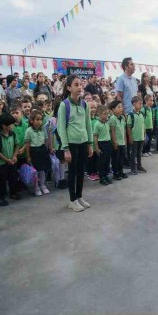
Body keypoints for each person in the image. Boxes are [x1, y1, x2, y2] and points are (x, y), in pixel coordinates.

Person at [57, 74, 94, 212]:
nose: (80, 87)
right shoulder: (64, 105)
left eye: (80, 84)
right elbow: (61, 127)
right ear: (69, 87)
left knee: (81, 171)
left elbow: (88, 124)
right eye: (76, 85)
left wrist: (90, 143)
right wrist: (65, 148)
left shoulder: (84, 104)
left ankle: (79, 197)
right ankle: (72, 200)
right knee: (72, 172)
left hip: (83, 142)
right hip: (71, 144)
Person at [0, 113, 20, 207]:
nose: (13, 126)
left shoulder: (13, 134)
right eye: (11, 124)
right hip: (1, 163)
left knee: (13, 178)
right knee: (1, 181)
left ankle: (13, 193)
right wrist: (7, 160)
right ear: (4, 126)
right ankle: (0, 198)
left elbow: (17, 145)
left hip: (12, 161)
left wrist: (14, 156)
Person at [24, 109, 51, 196]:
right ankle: (36, 187)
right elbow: (27, 144)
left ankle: (42, 185)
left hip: (42, 150)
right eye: (37, 119)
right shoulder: (28, 130)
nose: (40, 122)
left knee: (42, 170)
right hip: (34, 151)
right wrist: (28, 156)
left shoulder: (43, 129)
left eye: (41, 119)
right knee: (35, 171)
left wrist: (47, 149)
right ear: (32, 121)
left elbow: (46, 140)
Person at [92, 105, 112, 186]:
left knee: (107, 160)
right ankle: (102, 176)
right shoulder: (97, 124)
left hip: (108, 142)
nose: (106, 115)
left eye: (107, 113)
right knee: (101, 161)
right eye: (104, 114)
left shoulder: (107, 122)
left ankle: (106, 175)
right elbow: (95, 136)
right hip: (101, 143)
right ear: (99, 114)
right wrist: (96, 147)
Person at [126, 96, 147, 175]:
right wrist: (130, 137)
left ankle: (139, 165)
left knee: (139, 153)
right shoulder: (130, 115)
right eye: (140, 104)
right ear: (134, 104)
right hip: (134, 138)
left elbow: (143, 125)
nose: (141, 105)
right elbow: (128, 127)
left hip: (140, 137)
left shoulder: (141, 114)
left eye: (142, 104)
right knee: (133, 153)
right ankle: (133, 168)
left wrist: (144, 135)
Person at [108, 100, 128, 181]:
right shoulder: (112, 119)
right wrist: (114, 142)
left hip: (122, 142)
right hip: (116, 143)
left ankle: (121, 171)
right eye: (118, 107)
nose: (121, 108)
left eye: (121, 107)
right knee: (115, 159)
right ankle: (115, 173)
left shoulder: (122, 118)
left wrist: (125, 140)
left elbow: (123, 130)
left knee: (121, 158)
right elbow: (112, 131)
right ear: (113, 109)